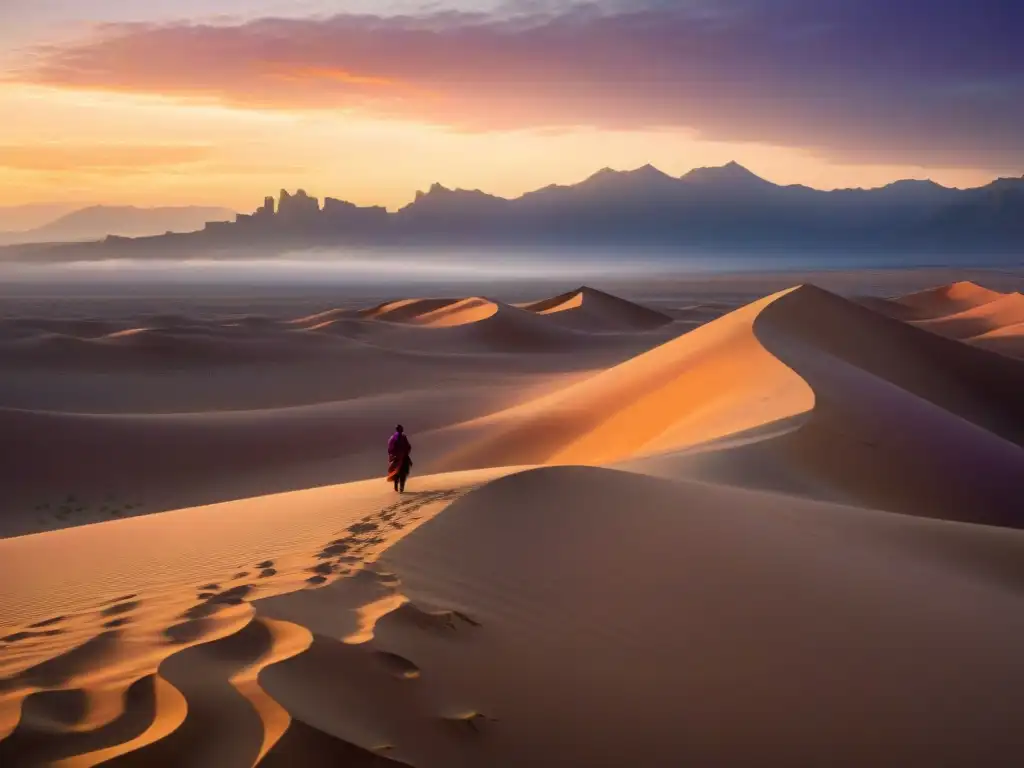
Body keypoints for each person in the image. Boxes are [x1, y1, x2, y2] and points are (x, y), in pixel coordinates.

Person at [387, 424, 412, 493]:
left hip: (398, 457)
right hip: (401, 457)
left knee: (397, 473)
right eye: (401, 428)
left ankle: (397, 487)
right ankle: (400, 488)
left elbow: (390, 449)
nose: (402, 429)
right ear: (399, 429)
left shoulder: (393, 438)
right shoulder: (401, 437)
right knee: (403, 473)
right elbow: (408, 447)